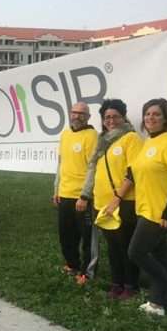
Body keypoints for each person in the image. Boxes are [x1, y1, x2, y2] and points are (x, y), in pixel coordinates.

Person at [107, 98, 167, 317]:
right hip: (145, 208)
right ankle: (158, 304)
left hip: (160, 212)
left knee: (135, 252)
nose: (150, 118)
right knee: (160, 258)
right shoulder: (148, 142)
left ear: (166, 118)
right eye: (147, 114)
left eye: (156, 114)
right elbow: (134, 174)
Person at [77, 99, 143, 299]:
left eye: (115, 116)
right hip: (101, 203)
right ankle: (117, 284)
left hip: (123, 202)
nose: (111, 120)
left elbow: (133, 171)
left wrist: (117, 198)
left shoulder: (131, 138)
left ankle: (131, 286)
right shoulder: (102, 141)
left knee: (126, 246)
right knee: (113, 247)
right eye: (107, 117)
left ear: (123, 117)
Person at [53, 101, 99, 284]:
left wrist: (85, 195)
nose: (77, 116)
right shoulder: (65, 134)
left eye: (82, 113)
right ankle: (72, 264)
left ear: (88, 117)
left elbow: (93, 167)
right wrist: (56, 189)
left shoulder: (92, 136)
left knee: (87, 238)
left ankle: (87, 272)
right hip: (65, 193)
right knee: (66, 234)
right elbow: (60, 163)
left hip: (82, 197)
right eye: (74, 112)